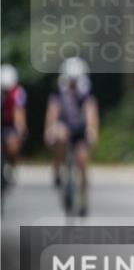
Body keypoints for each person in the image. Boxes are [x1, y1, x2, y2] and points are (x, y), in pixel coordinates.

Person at [44, 57, 99, 214]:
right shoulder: (59, 92)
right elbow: (52, 112)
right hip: (64, 128)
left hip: (80, 130)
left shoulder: (86, 93)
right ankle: (58, 168)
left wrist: (92, 130)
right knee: (59, 135)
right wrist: (49, 130)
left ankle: (83, 199)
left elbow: (91, 112)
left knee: (82, 162)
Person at [1, 64, 28, 188]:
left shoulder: (18, 93)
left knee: (13, 144)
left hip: (11, 124)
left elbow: (19, 113)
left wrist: (21, 129)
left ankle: (12, 166)